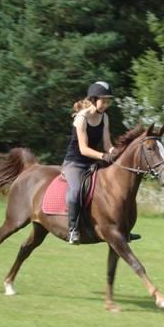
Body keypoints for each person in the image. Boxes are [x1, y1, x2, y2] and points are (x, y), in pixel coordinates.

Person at [63, 81, 118, 244]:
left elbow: (107, 145)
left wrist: (115, 152)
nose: (106, 104)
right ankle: (73, 230)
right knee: (76, 190)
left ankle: (120, 229)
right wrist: (103, 156)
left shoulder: (104, 117)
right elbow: (83, 149)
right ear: (94, 100)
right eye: (104, 100)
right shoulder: (81, 118)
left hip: (92, 163)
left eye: (109, 101)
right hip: (75, 163)